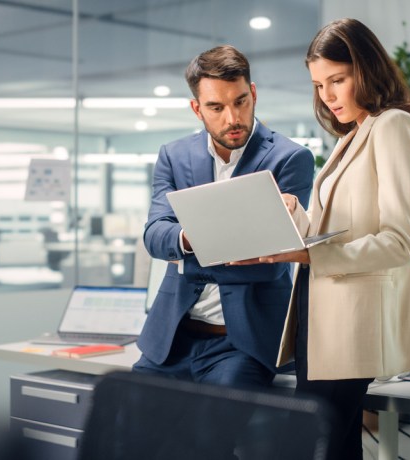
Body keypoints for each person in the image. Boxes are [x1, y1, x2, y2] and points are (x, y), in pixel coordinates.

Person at [231, 18, 410, 459]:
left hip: (352, 323)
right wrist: (296, 217)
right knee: (336, 448)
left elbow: (401, 243)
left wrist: (308, 257)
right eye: (318, 84)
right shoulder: (352, 135)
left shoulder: (393, 127)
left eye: (337, 80)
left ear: (365, 70)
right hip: (321, 315)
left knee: (314, 445)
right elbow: (342, 230)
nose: (327, 94)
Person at [133, 45, 314, 389]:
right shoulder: (174, 156)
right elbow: (155, 237)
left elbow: (271, 262)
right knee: (125, 434)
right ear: (196, 108)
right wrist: (193, 239)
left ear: (254, 93)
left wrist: (186, 256)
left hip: (242, 344)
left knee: (210, 439)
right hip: (171, 339)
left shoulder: (290, 159)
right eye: (216, 107)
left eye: (241, 101)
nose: (233, 118)